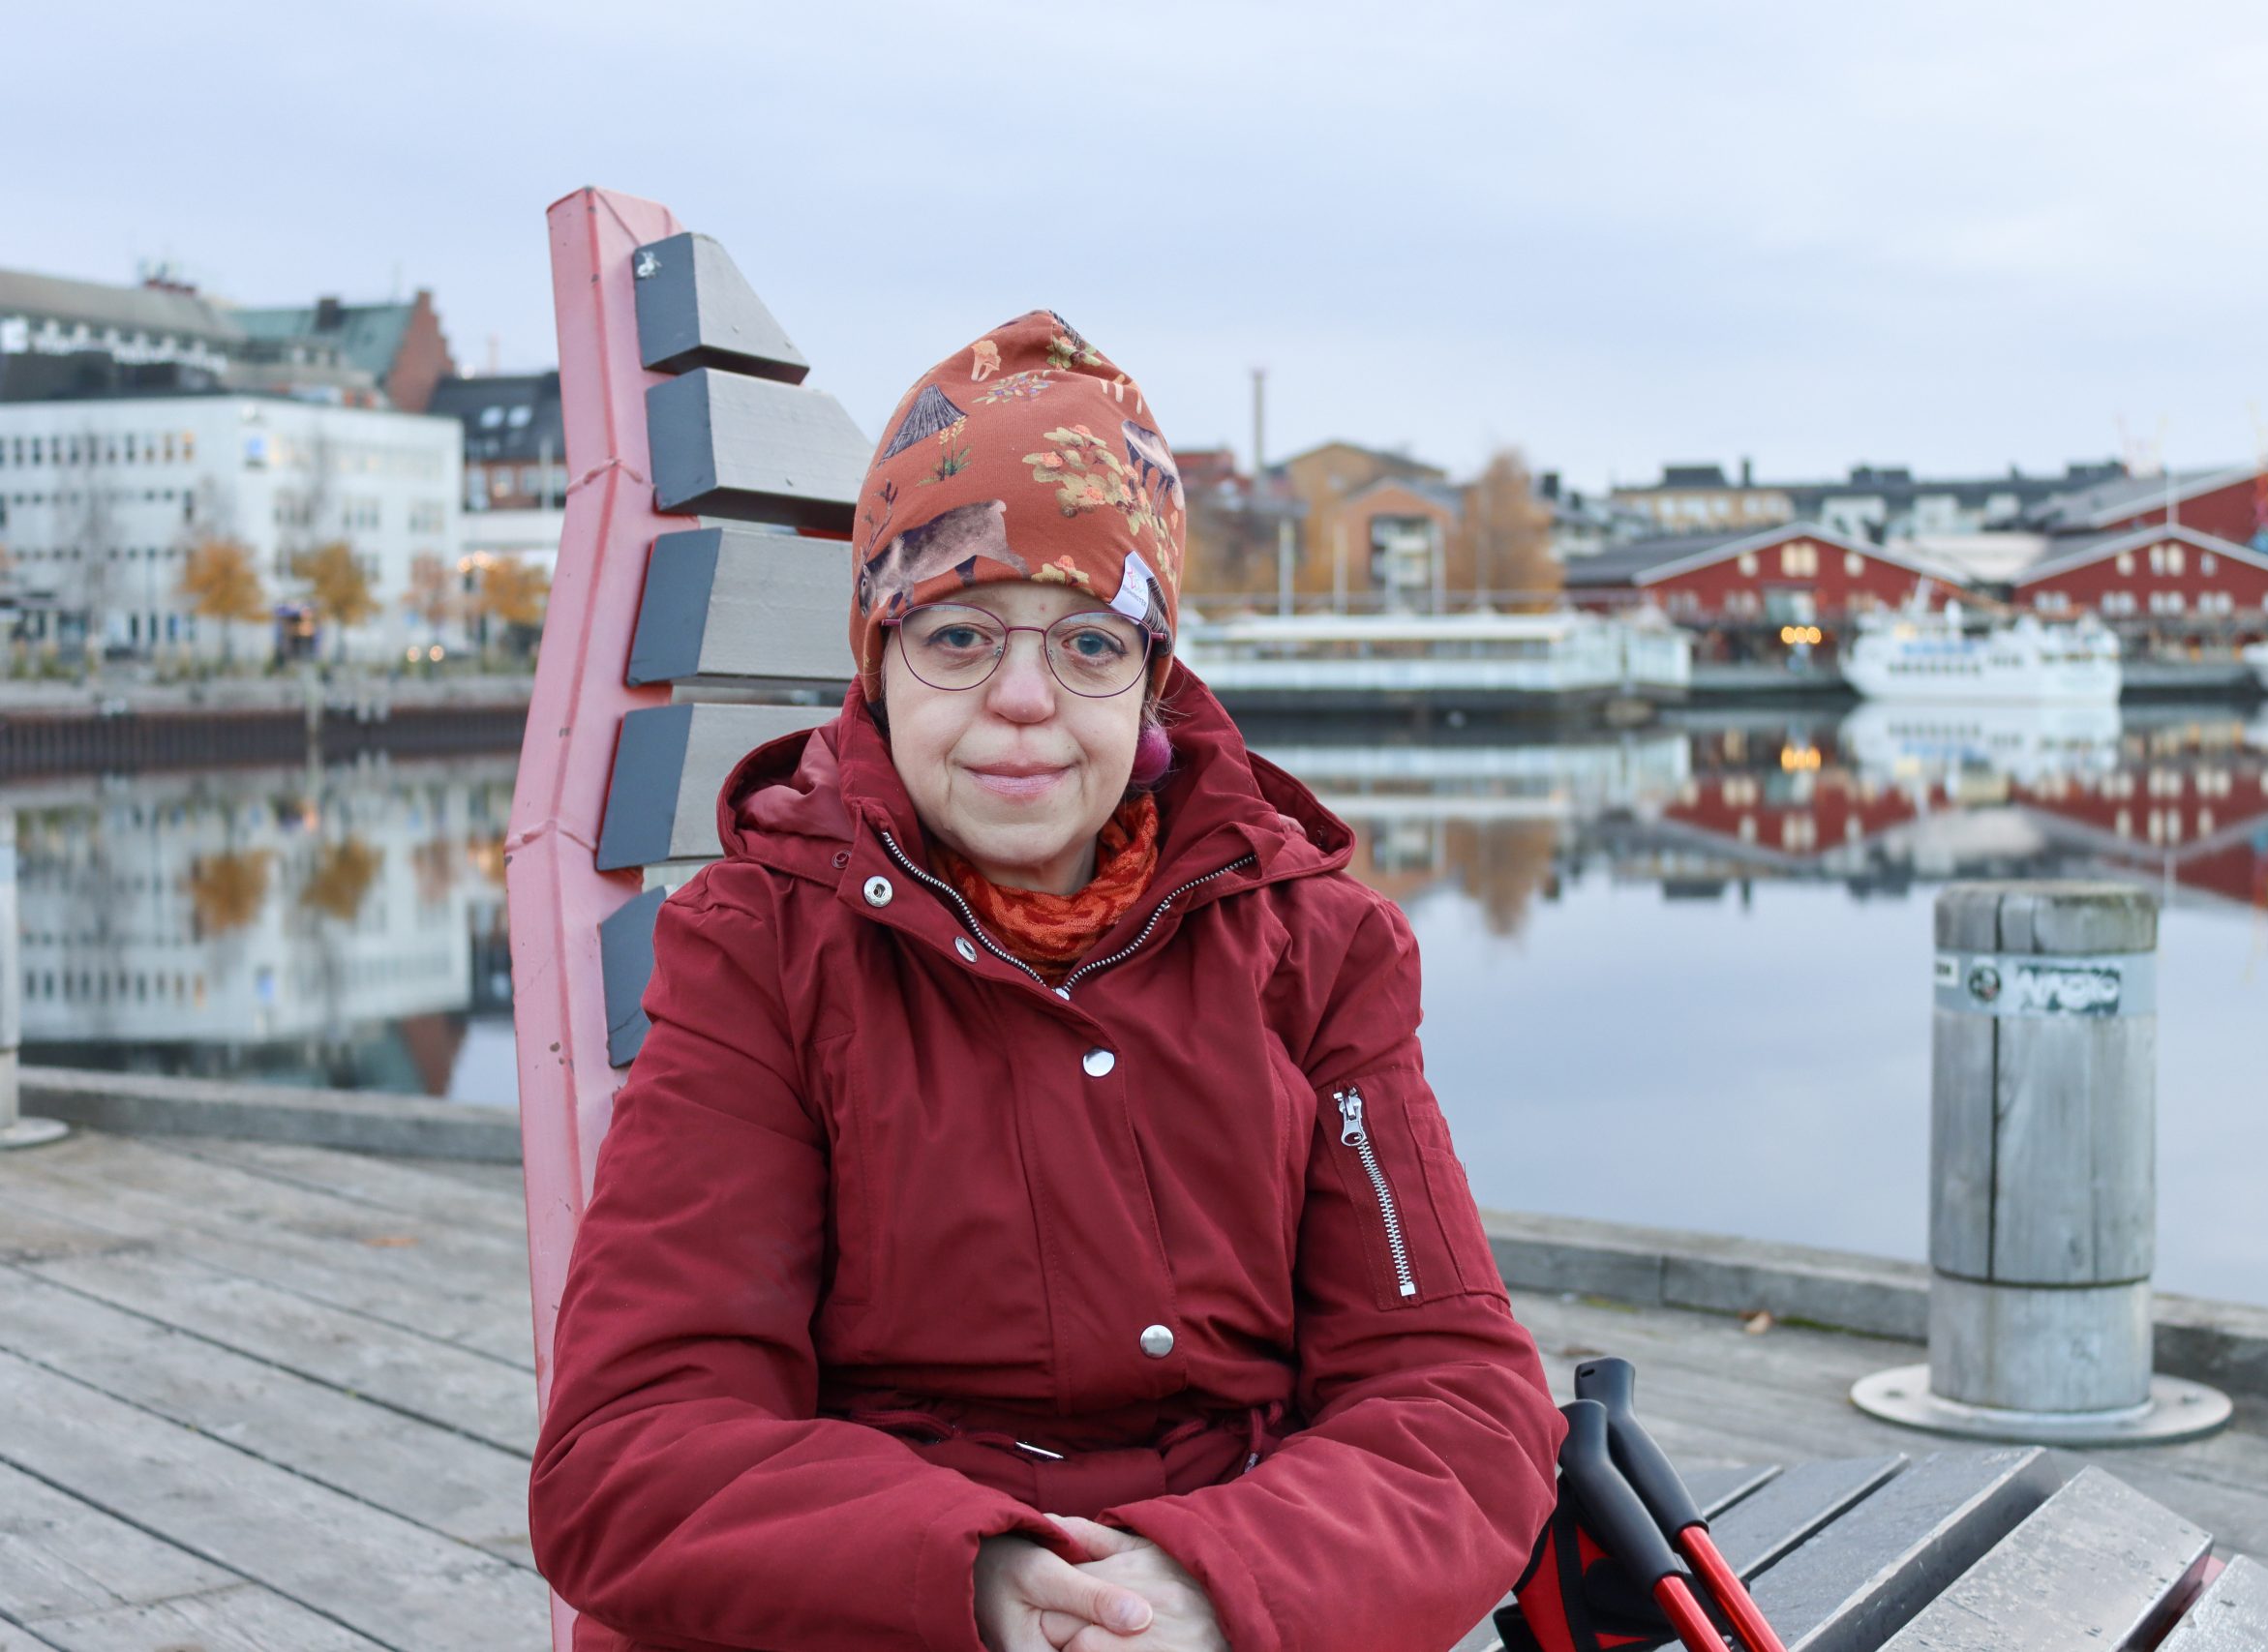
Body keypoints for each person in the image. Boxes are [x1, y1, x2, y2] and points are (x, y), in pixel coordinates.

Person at [529, 311, 1563, 1652]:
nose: (1025, 697)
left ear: (1151, 685)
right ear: (877, 669)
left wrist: (1210, 1591)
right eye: (958, 637)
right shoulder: (758, 951)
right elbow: (633, 1451)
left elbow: (1457, 1401)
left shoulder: (1315, 947)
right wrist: (976, 1583)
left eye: (1087, 643)